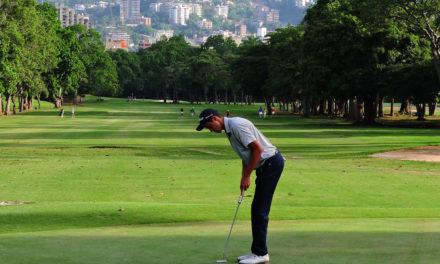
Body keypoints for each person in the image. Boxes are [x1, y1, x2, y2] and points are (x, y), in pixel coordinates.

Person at [196, 109, 284, 264]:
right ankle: (256, 251)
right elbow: (247, 155)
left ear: (216, 119)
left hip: (271, 164)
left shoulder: (236, 126)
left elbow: (258, 150)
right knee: (257, 209)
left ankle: (261, 254)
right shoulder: (229, 131)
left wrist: (248, 175)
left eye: (209, 126)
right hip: (264, 166)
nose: (210, 130)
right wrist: (244, 177)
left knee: (259, 210)